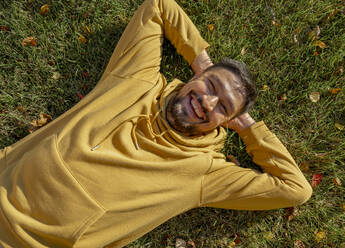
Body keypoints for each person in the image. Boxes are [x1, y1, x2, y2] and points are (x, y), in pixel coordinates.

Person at [0, 0, 312, 247]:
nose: (208, 102)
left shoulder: (205, 172)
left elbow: (295, 189)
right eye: (211, 87)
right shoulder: (139, 78)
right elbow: (159, 7)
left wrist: (249, 128)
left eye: (223, 108)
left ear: (225, 124)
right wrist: (203, 62)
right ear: (196, 77)